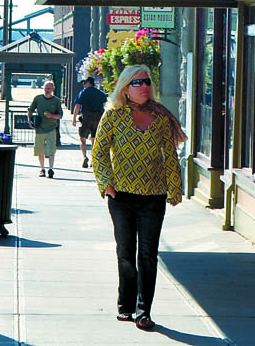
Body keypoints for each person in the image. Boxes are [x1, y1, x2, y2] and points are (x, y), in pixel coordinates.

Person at [91, 64, 182, 331]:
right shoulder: (113, 115)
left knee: (149, 255)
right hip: (121, 196)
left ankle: (144, 311)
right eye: (137, 82)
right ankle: (126, 305)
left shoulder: (161, 117)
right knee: (126, 253)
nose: (144, 86)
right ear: (125, 88)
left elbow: (170, 155)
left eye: (146, 81)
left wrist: (175, 187)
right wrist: (106, 183)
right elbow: (99, 152)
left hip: (154, 196)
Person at [27, 80, 63, 177]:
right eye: (46, 88)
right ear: (43, 88)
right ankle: (42, 169)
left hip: (51, 129)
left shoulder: (56, 100)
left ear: (53, 89)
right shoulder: (38, 98)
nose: (47, 90)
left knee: (51, 150)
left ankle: (51, 169)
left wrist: (52, 115)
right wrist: (30, 120)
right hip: (39, 129)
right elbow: (30, 110)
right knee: (40, 150)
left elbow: (60, 115)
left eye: (49, 88)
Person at [71, 75, 107, 168]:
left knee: (82, 139)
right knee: (94, 139)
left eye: (84, 83)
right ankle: (93, 159)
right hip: (98, 117)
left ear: (88, 83)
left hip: (86, 117)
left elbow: (78, 106)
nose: (83, 85)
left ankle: (84, 157)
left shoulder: (83, 92)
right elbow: (105, 105)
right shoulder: (100, 93)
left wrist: (74, 118)